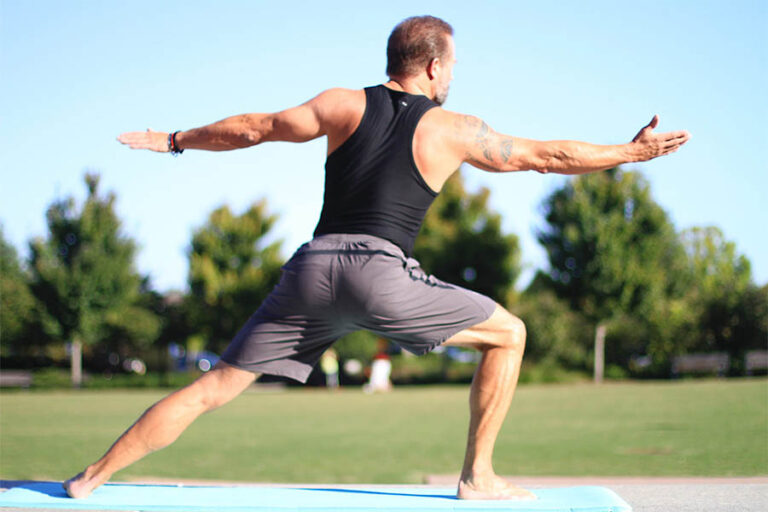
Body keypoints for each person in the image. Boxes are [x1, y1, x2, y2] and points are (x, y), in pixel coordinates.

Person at [65, 15, 690, 501]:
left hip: (312, 271)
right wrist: (629, 154)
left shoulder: (342, 104)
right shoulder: (455, 128)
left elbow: (255, 126)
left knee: (214, 387)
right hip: (381, 273)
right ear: (434, 66)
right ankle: (478, 477)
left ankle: (91, 478)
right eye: (452, 69)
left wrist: (175, 140)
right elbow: (543, 156)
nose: (453, 79)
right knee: (509, 335)